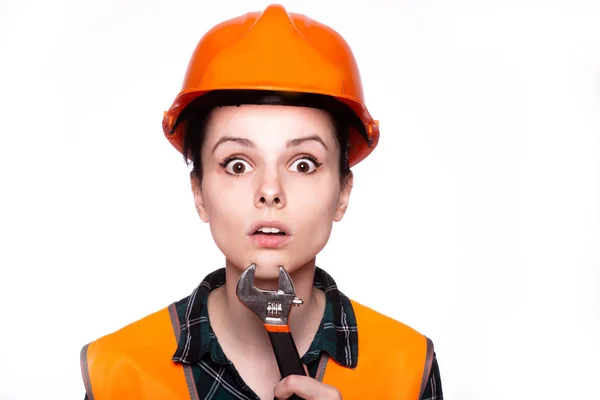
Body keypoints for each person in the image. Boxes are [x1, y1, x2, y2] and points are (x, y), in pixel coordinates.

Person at [80, 4, 444, 399]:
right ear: (198, 193)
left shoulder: (407, 367)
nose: (270, 190)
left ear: (343, 193)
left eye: (303, 164)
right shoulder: (116, 374)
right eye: (237, 164)